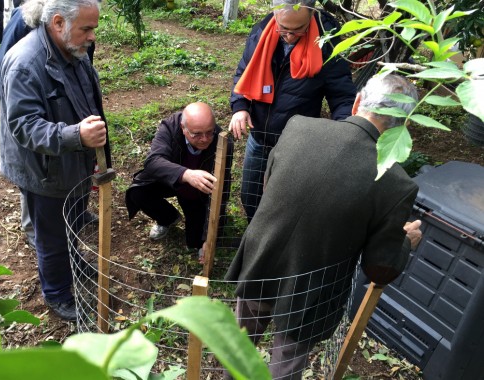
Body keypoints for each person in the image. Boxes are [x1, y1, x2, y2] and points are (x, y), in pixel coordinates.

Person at [224, 74, 423, 379]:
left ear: (357, 101)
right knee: (285, 367)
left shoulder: (299, 126)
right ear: (405, 123)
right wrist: (404, 242)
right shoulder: (396, 183)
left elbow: (269, 185)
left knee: (239, 350)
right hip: (311, 291)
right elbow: (379, 269)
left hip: (260, 260)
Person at [0, 0, 110, 321]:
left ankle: (73, 264)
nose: (91, 37)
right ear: (58, 22)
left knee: (73, 223)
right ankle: (57, 293)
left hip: (72, 164)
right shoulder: (25, 63)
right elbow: (24, 126)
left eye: (93, 28)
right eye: (86, 29)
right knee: (51, 238)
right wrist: (77, 135)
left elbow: (88, 100)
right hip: (43, 172)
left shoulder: (72, 51)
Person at [229, 0, 356, 221]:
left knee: (285, 202)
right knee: (250, 197)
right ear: (275, 15)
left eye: (298, 29)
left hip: (297, 143)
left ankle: (277, 244)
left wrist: (345, 131)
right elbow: (244, 71)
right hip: (260, 135)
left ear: (311, 15)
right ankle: (256, 235)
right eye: (284, 28)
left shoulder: (326, 42)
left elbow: (342, 95)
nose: (289, 36)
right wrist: (240, 107)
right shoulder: (262, 31)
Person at [125, 102, 233, 257]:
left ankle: (197, 232)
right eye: (197, 134)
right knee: (138, 193)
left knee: (195, 243)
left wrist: (209, 239)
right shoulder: (170, 127)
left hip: (198, 192)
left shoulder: (223, 143)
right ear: (183, 128)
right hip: (170, 181)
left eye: (209, 132)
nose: (204, 139)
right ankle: (168, 218)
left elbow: (222, 191)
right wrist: (186, 174)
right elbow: (153, 162)